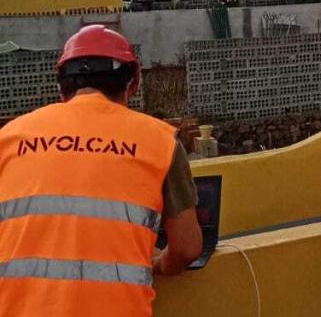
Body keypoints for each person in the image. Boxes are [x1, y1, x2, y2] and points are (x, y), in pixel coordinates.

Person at [0, 25, 201, 316]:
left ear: (61, 87)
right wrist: (160, 263)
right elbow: (187, 248)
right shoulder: (159, 142)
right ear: (132, 83)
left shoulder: (10, 137)